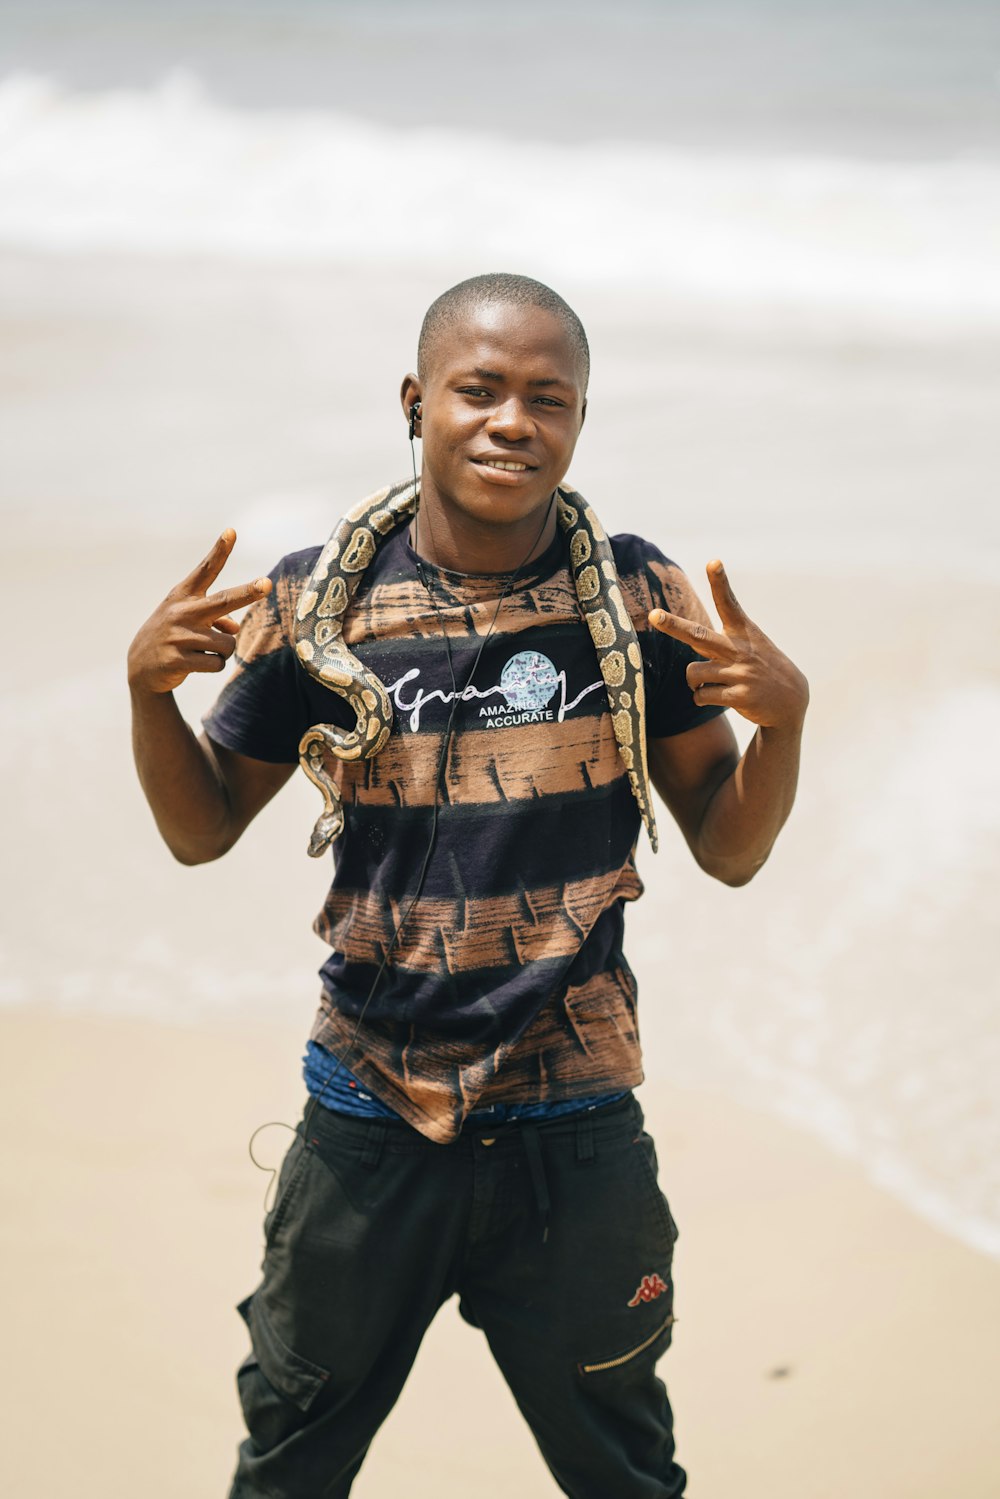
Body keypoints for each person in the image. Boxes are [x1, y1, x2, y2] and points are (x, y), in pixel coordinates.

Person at [127, 272, 808, 1498]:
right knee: (288, 1461)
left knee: (625, 1470)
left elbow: (727, 842)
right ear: (416, 401)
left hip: (577, 1119)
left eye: (548, 398)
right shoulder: (314, 606)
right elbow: (202, 827)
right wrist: (146, 696)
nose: (512, 421)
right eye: (479, 389)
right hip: (368, 1116)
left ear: (580, 423)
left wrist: (787, 726)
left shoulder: (637, 598)